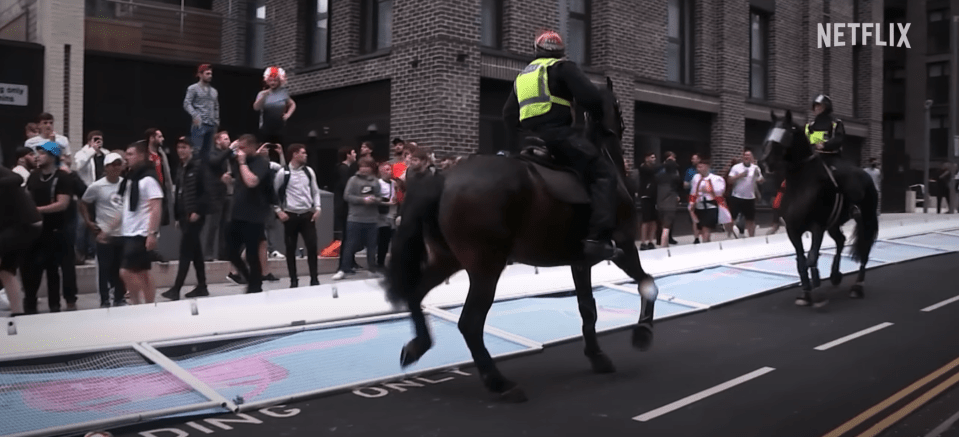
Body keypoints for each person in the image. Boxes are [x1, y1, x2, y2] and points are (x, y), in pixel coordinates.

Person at [502, 29, 617, 261]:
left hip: (530, 141)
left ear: (537, 50)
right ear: (560, 51)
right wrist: (597, 116)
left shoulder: (522, 77)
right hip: (559, 137)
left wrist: (519, 137)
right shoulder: (563, 67)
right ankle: (597, 239)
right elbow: (592, 99)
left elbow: (507, 115)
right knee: (604, 174)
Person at [806, 94, 864, 213]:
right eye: (815, 106)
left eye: (819, 106)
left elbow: (839, 138)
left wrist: (825, 145)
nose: (816, 108)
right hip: (814, 158)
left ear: (826, 107)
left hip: (832, 157)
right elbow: (807, 141)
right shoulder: (810, 126)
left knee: (843, 175)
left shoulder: (836, 123)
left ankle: (852, 205)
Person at [253, 66, 296, 145]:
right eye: (270, 80)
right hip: (266, 128)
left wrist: (287, 115)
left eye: (275, 80)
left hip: (280, 128)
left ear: (280, 81)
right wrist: (263, 97)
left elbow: (292, 104)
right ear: (267, 81)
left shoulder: (283, 93)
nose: (273, 83)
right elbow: (256, 107)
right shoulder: (262, 93)